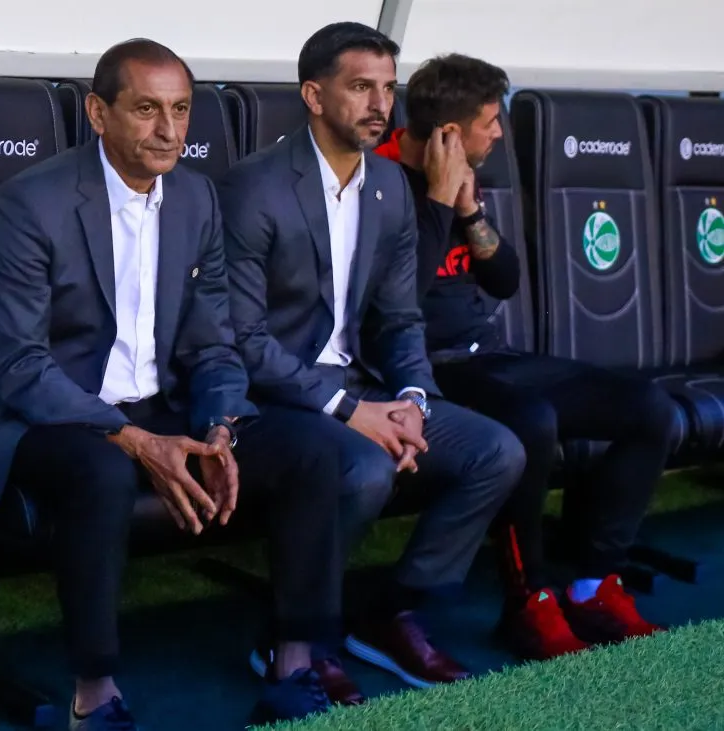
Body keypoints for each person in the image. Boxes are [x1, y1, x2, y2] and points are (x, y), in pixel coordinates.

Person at [0, 39, 351, 730]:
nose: (169, 130)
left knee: (310, 447)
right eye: (147, 109)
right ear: (99, 113)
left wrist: (220, 427)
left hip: (162, 403)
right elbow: (19, 366)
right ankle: (93, 693)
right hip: (42, 416)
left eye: (182, 110)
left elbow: (212, 342)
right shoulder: (31, 203)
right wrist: (133, 438)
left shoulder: (195, 198)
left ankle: (292, 661)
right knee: (101, 470)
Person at [217, 23, 527, 702]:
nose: (380, 103)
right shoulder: (254, 187)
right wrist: (352, 410)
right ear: (314, 95)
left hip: (363, 387)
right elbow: (240, 339)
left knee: (495, 451)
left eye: (387, 88)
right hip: (272, 399)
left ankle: (392, 609)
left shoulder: (388, 186)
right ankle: (294, 632)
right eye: (360, 87)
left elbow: (401, 318)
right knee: (359, 466)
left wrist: (414, 394)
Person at [373, 52, 679, 661]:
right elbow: (393, 301)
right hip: (420, 369)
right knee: (531, 421)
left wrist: (467, 209)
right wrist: (437, 197)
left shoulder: (463, 176)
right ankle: (527, 600)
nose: (499, 133)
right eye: (491, 121)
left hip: (487, 353)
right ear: (451, 133)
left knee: (649, 408)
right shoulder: (375, 179)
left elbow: (505, 280)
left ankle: (594, 582)